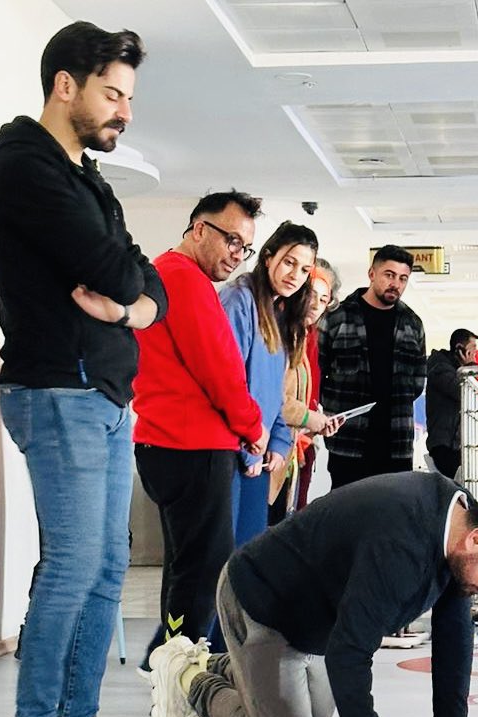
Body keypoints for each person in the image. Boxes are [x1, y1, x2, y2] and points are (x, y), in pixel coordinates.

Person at [0, 21, 169, 717]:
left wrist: (131, 310)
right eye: (112, 94)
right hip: (57, 387)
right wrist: (130, 289)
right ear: (66, 85)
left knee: (106, 565)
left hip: (104, 393)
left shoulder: (84, 176)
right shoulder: (25, 162)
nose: (125, 111)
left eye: (129, 97)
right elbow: (113, 265)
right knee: (74, 561)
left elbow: (143, 280)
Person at [146, 473, 478, 717]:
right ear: (476, 540)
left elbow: (454, 636)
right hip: (261, 602)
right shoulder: (401, 542)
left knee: (320, 711)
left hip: (310, 622)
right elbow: (349, 652)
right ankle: (187, 673)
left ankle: (226, 665)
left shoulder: (462, 521)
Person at [132, 191, 267, 669]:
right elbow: (219, 368)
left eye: (245, 247)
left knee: (187, 565)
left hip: (167, 442)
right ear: (199, 229)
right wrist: (252, 426)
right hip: (191, 445)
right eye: (231, 240)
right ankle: (181, 671)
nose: (237, 254)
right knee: (203, 568)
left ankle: (169, 665)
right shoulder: (183, 278)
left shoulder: (166, 274)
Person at [221, 221, 318, 545]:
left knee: (248, 552)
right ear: (268, 257)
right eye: (289, 262)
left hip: (259, 452)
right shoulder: (239, 299)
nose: (295, 275)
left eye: (304, 269)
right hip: (235, 451)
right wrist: (249, 448)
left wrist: (278, 441)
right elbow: (228, 382)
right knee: (222, 556)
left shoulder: (280, 313)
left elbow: (273, 390)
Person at [320, 246, 427, 488]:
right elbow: (318, 372)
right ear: (372, 274)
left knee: (394, 508)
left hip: (396, 442)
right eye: (389, 275)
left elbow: (417, 382)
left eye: (403, 279)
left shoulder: (412, 324)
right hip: (348, 440)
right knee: (347, 507)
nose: (396, 284)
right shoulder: (337, 317)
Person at [269, 264, 343, 522]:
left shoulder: (303, 335)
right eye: (311, 295)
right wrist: (309, 418)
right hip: (271, 447)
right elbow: (272, 397)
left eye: (323, 300)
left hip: (294, 446)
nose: (315, 305)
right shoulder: (277, 331)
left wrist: (316, 419)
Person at [426, 328, 478, 479]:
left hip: (453, 444)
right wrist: (469, 367)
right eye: (473, 348)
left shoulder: (452, 370)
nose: (475, 353)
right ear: (460, 349)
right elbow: (462, 392)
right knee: (460, 481)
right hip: (444, 445)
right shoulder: (440, 368)